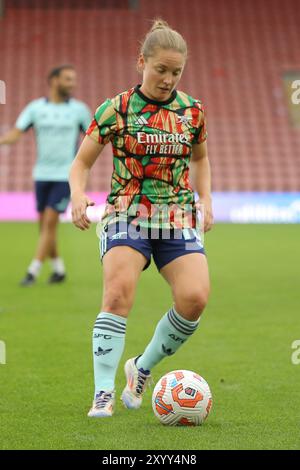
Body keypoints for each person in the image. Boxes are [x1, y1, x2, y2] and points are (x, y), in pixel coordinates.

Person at [69, 19, 213, 418]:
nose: (168, 79)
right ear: (141, 62)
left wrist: (207, 198)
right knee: (117, 294)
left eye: (176, 72)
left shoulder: (192, 111)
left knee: (195, 299)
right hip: (127, 214)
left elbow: (200, 160)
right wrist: (78, 193)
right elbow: (80, 163)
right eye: (160, 69)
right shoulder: (114, 109)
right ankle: (103, 393)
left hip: (177, 215)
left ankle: (142, 367)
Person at [0, 65, 92, 286]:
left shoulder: (79, 110)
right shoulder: (35, 108)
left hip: (65, 176)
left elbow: (93, 139)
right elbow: (14, 134)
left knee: (50, 223)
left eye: (74, 79)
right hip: (41, 174)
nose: (72, 84)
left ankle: (33, 271)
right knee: (44, 227)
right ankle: (59, 269)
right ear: (53, 80)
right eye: (68, 79)